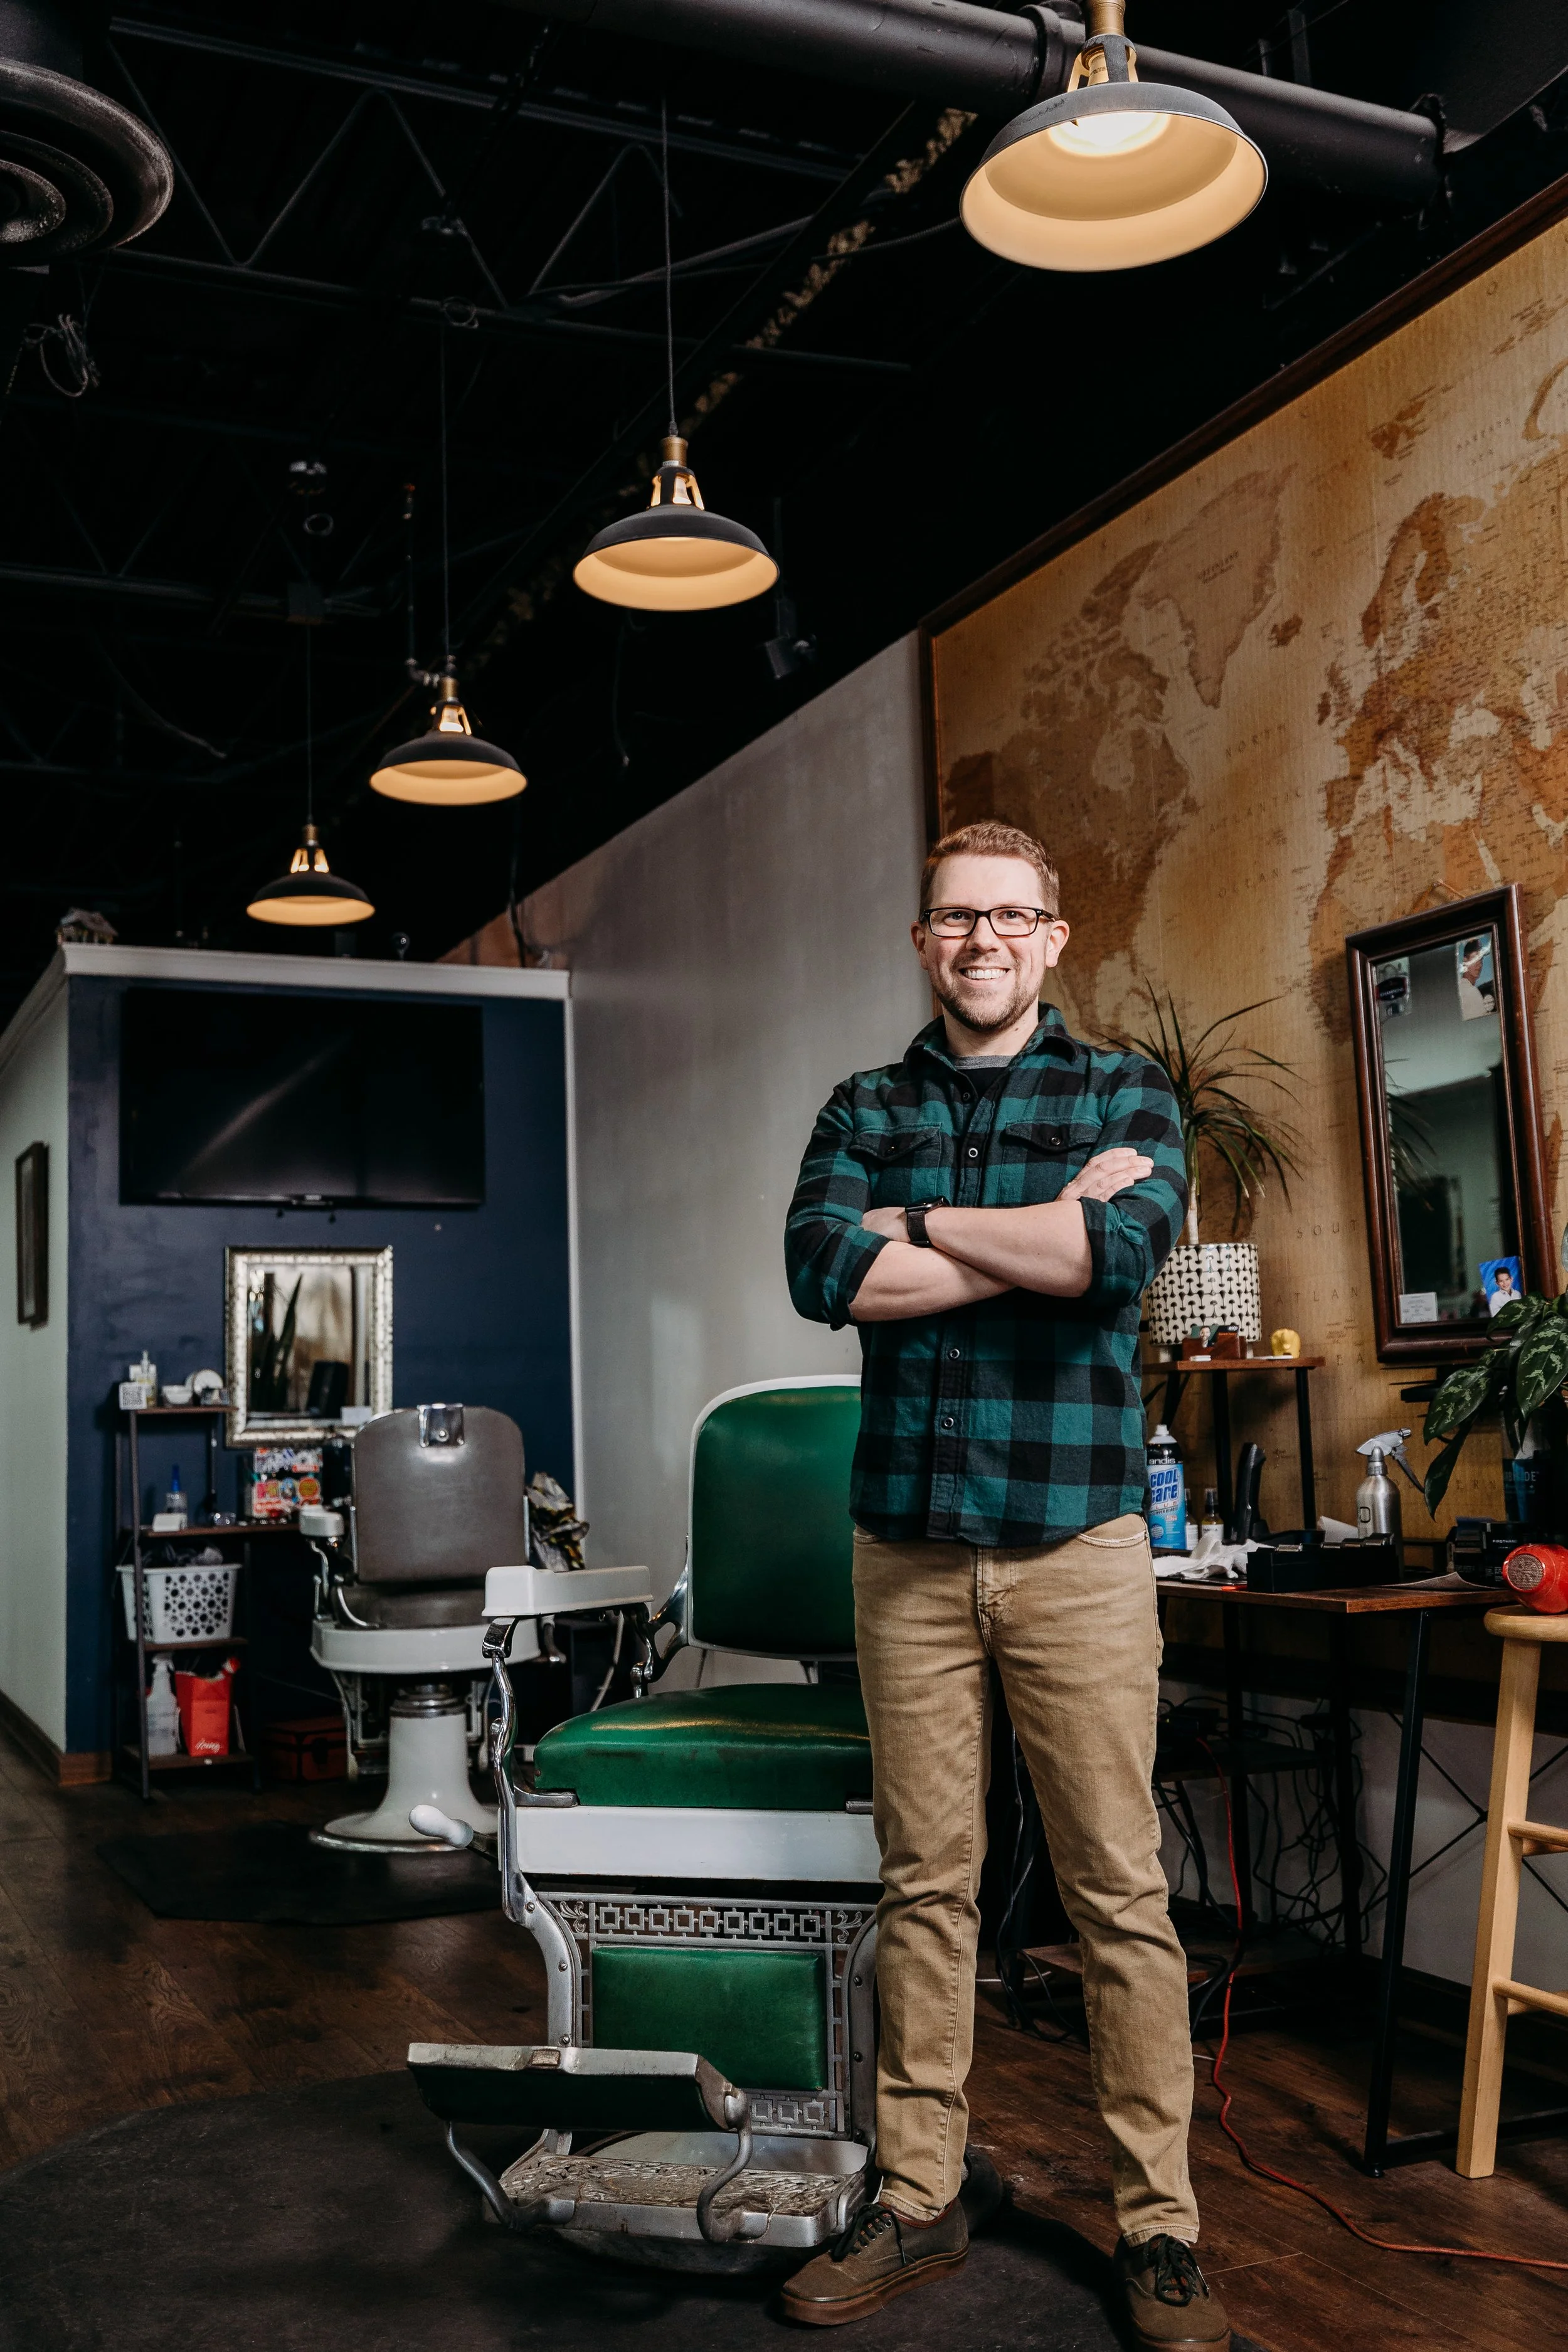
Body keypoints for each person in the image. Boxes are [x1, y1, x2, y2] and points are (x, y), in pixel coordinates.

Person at [781, 820, 1229, 2349]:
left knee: (1119, 1893)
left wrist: (914, 1226)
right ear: (923, 942)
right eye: (950, 919)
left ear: (1052, 937)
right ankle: (918, 2198)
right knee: (925, 1885)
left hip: (1076, 1546)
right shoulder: (864, 1102)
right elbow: (821, 1273)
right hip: (903, 1548)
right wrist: (1016, 1236)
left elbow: (1119, 1256)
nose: (977, 941)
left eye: (1006, 917)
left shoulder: (1124, 1094)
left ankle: (1158, 2229)